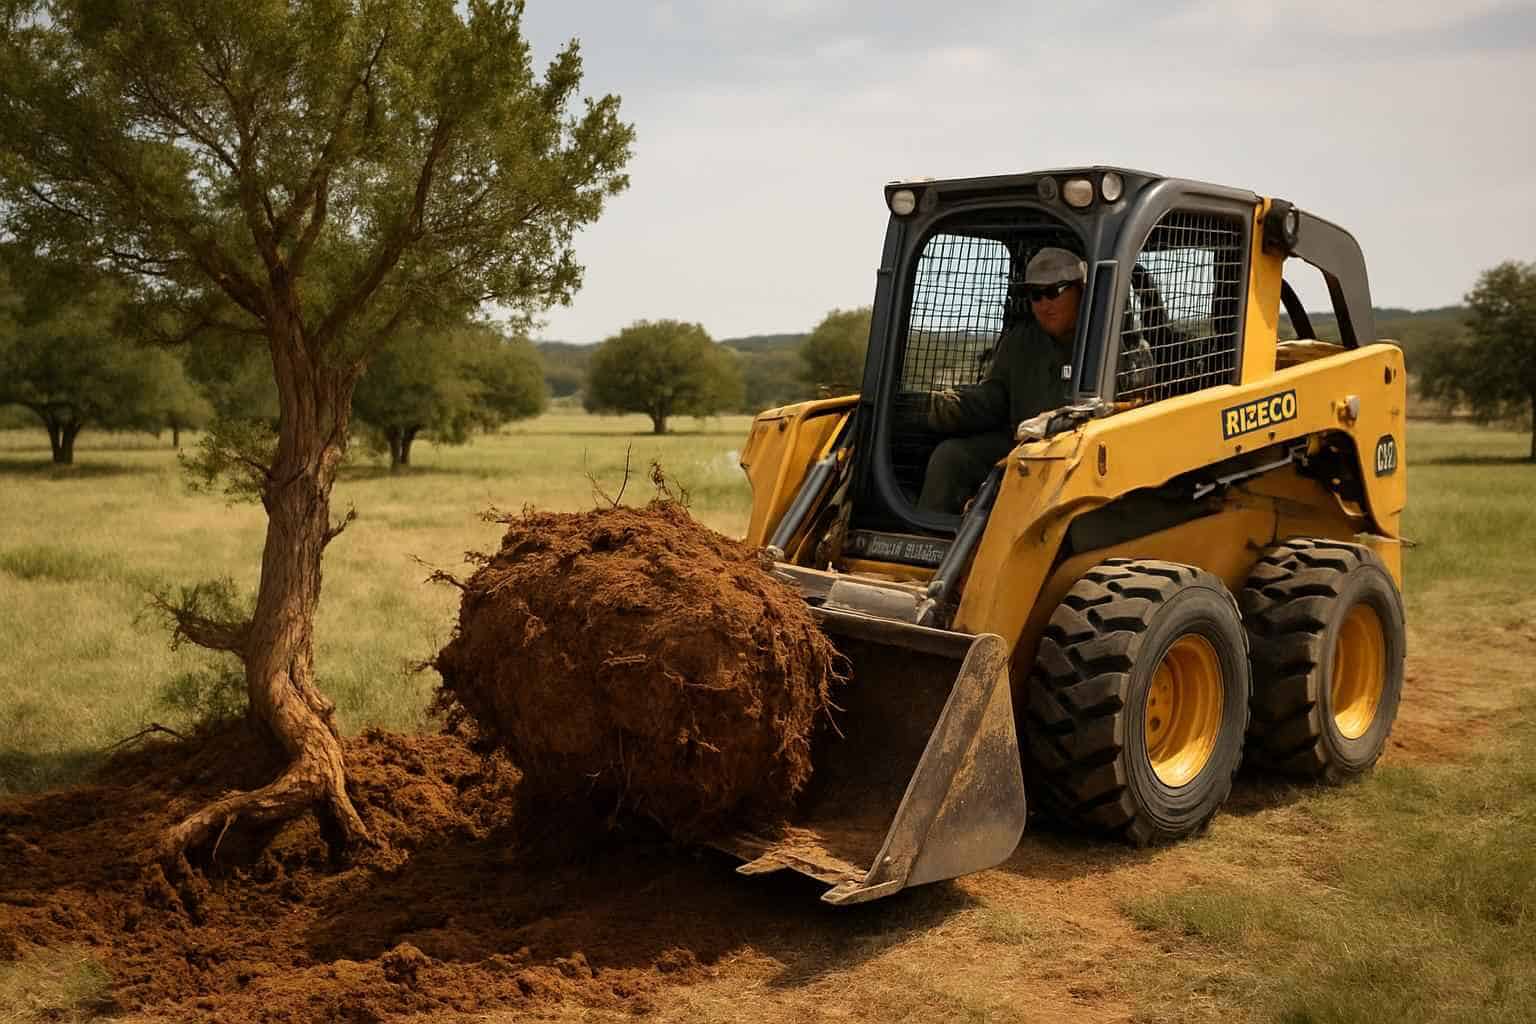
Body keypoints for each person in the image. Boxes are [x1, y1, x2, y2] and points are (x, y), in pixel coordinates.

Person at [916, 246, 1085, 514]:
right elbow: (993, 399)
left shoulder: (1114, 343)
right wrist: (940, 407)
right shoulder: (1019, 342)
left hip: (1081, 454)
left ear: (1081, 290)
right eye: (1036, 295)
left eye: (1054, 291)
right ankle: (930, 536)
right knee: (951, 456)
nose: (1044, 304)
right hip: (1022, 449)